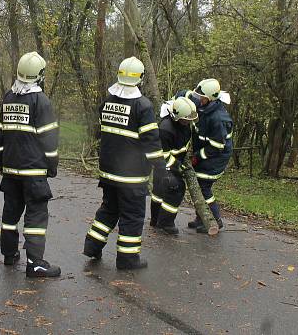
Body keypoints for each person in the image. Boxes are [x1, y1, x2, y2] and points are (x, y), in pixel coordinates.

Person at [83, 57, 164, 270]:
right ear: (141, 78)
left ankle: (92, 246)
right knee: (132, 215)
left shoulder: (108, 101)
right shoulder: (143, 106)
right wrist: (162, 169)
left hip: (108, 172)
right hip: (131, 176)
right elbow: (152, 143)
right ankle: (128, 259)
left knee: (109, 209)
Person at [0, 52, 61, 278]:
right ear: (40, 75)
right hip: (33, 172)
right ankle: (35, 263)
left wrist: (1, 163)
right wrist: (52, 165)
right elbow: (49, 140)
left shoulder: (8, 98)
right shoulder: (41, 101)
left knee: (10, 214)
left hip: (11, 170)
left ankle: (9, 254)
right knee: (36, 216)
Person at [187, 78, 233, 233]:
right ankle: (202, 217)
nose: (198, 99)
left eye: (201, 97)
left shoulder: (218, 119)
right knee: (199, 186)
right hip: (206, 155)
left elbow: (217, 146)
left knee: (203, 187)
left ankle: (215, 219)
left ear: (210, 98)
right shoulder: (205, 108)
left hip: (215, 157)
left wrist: (197, 156)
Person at [150, 97, 198, 234]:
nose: (189, 121)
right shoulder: (165, 130)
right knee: (176, 188)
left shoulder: (183, 125)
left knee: (159, 191)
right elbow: (163, 156)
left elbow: (181, 147)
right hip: (165, 164)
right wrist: (177, 167)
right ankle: (166, 223)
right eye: (187, 119)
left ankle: (156, 220)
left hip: (173, 163)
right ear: (178, 117)